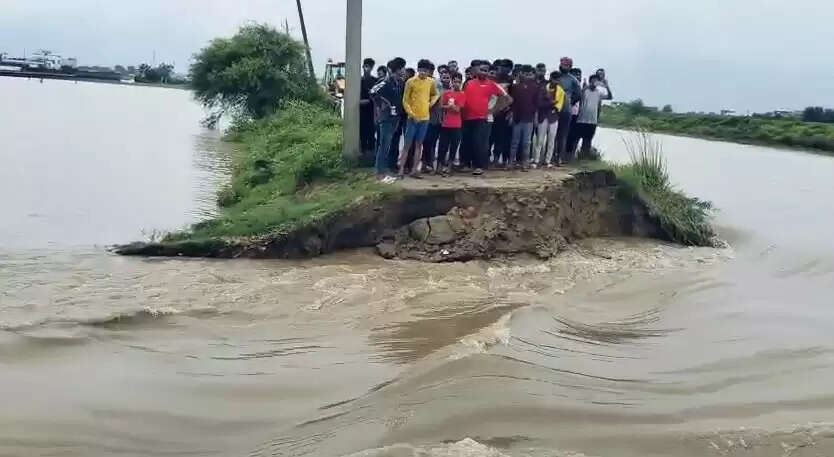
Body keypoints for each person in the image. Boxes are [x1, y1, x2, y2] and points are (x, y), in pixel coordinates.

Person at [462, 61, 512, 175]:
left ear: (488, 72)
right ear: (476, 70)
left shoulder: (492, 84)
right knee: (468, 141)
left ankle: (479, 166)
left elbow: (508, 99)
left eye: (486, 70)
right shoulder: (469, 83)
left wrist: (493, 110)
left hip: (483, 118)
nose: (483, 72)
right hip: (468, 117)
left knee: (479, 142)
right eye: (481, 69)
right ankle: (467, 164)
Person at [399, 59, 440, 179]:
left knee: (419, 145)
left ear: (428, 71)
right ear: (417, 70)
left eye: (425, 70)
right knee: (407, 145)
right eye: (421, 70)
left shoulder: (431, 82)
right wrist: (411, 114)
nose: (423, 72)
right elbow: (405, 100)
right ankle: (401, 169)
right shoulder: (410, 82)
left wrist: (430, 103)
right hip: (412, 118)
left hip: (425, 118)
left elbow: (436, 94)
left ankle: (414, 170)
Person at [370, 57, 406, 180]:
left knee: (389, 144)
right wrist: (382, 104)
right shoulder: (386, 82)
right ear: (395, 70)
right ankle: (380, 171)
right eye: (401, 68)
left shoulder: (399, 83)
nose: (403, 70)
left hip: (396, 118)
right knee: (384, 144)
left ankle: (384, 169)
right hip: (386, 118)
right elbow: (373, 92)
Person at [508, 65, 539, 170]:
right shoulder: (515, 87)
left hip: (529, 119)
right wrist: (511, 115)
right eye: (525, 74)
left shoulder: (535, 87)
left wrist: (535, 117)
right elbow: (512, 103)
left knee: (526, 143)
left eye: (529, 74)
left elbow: (536, 103)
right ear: (521, 74)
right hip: (517, 118)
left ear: (532, 75)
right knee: (514, 142)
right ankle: (511, 162)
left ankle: (524, 163)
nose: (527, 76)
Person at [574, 74, 612, 159]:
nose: (595, 83)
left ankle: (582, 159)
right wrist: (586, 85)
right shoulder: (585, 90)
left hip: (592, 121)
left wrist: (607, 86)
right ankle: (570, 157)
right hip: (581, 120)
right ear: (590, 81)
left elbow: (610, 97)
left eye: (596, 81)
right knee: (576, 139)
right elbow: (579, 94)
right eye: (593, 81)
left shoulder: (598, 92)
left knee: (587, 141)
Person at [533, 71, 566, 167]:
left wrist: (549, 103)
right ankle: (536, 160)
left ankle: (547, 161)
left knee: (551, 140)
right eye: (555, 79)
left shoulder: (561, 91)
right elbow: (539, 104)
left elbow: (558, 107)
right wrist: (551, 103)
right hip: (543, 116)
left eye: (558, 79)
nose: (556, 81)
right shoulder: (543, 88)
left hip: (554, 118)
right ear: (551, 78)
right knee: (540, 139)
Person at [554, 57, 582, 167]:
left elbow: (579, 95)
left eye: (566, 65)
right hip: (553, 108)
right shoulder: (555, 77)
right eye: (562, 64)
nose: (564, 66)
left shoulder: (573, 80)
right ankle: (548, 157)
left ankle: (559, 158)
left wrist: (569, 102)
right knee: (551, 134)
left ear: (570, 67)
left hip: (566, 110)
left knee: (563, 134)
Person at [437, 71, 465, 175]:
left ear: (461, 83)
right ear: (452, 82)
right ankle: (439, 166)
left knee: (453, 147)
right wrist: (448, 107)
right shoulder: (446, 93)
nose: (456, 83)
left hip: (457, 125)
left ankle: (449, 166)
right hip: (446, 124)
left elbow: (458, 109)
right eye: (455, 81)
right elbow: (441, 106)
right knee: (442, 146)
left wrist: (451, 106)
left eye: (459, 82)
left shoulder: (462, 94)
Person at [491, 59, 513, 167]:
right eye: (502, 66)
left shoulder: (511, 80)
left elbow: (514, 98)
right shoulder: (492, 79)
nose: (503, 69)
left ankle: (496, 159)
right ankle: (486, 158)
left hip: (504, 113)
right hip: (491, 111)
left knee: (501, 137)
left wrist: (511, 112)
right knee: (490, 137)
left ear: (510, 69)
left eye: (506, 67)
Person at [423, 62, 444, 172]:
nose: (424, 73)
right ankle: (424, 164)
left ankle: (430, 164)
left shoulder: (436, 84)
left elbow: (437, 100)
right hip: (420, 117)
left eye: (427, 70)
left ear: (431, 71)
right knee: (424, 141)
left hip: (433, 117)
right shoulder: (417, 82)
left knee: (431, 141)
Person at [360, 58, 377, 156]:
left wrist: (368, 101)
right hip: (360, 111)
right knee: (362, 132)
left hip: (371, 110)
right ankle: (363, 152)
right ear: (363, 67)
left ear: (372, 68)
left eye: (369, 67)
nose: (367, 68)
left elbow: (377, 97)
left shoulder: (374, 81)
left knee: (371, 132)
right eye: (365, 66)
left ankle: (371, 154)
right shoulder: (359, 81)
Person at [566, 67, 583, 160]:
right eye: (575, 74)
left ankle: (570, 156)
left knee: (574, 136)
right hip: (567, 112)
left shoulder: (582, 87)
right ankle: (560, 155)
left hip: (577, 115)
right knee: (565, 135)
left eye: (579, 74)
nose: (578, 76)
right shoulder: (568, 86)